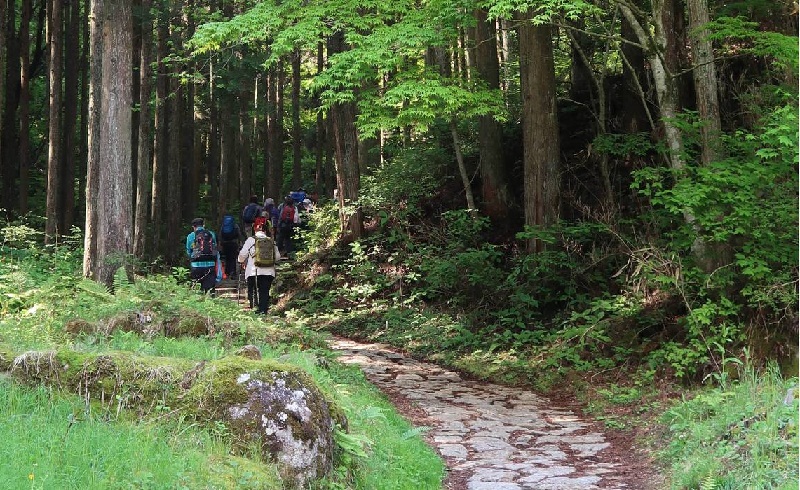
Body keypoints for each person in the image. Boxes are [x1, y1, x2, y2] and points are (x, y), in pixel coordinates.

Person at [237, 221, 281, 314]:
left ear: (254, 229)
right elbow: (277, 257)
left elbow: (242, 255)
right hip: (269, 271)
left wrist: (241, 261)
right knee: (264, 292)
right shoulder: (271, 241)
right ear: (265, 229)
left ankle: (254, 311)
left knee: (253, 292)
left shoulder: (250, 240)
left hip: (253, 271)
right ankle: (263, 311)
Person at [186, 217, 218, 296]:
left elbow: (189, 251)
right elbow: (215, 248)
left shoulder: (191, 236)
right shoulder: (211, 234)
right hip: (210, 265)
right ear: (203, 225)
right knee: (210, 291)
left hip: (196, 266)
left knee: (197, 292)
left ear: (194, 227)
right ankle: (211, 306)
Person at [219, 213, 243, 279]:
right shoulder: (235, 226)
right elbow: (239, 235)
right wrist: (240, 243)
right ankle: (233, 273)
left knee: (227, 258)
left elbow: (220, 235)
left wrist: (221, 244)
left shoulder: (223, 226)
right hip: (233, 243)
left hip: (225, 244)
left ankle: (227, 272)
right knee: (233, 258)